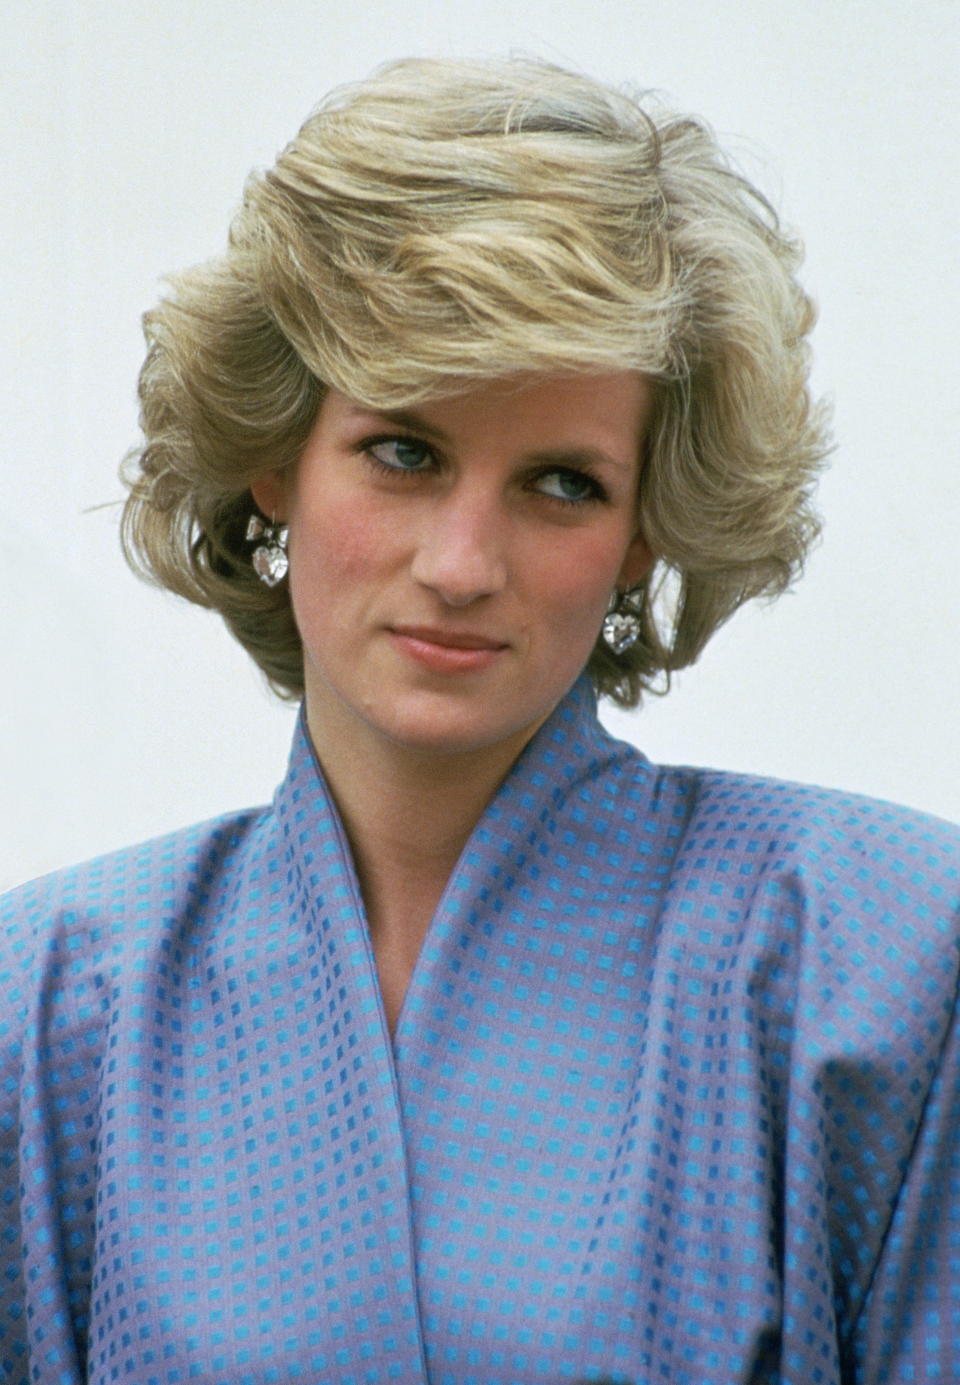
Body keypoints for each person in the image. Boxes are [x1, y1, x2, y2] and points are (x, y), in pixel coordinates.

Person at [2, 55, 958, 1385]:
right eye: (405, 451)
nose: (462, 560)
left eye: (562, 482)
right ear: (276, 461)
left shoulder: (882, 956)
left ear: (643, 534)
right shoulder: (48, 1003)